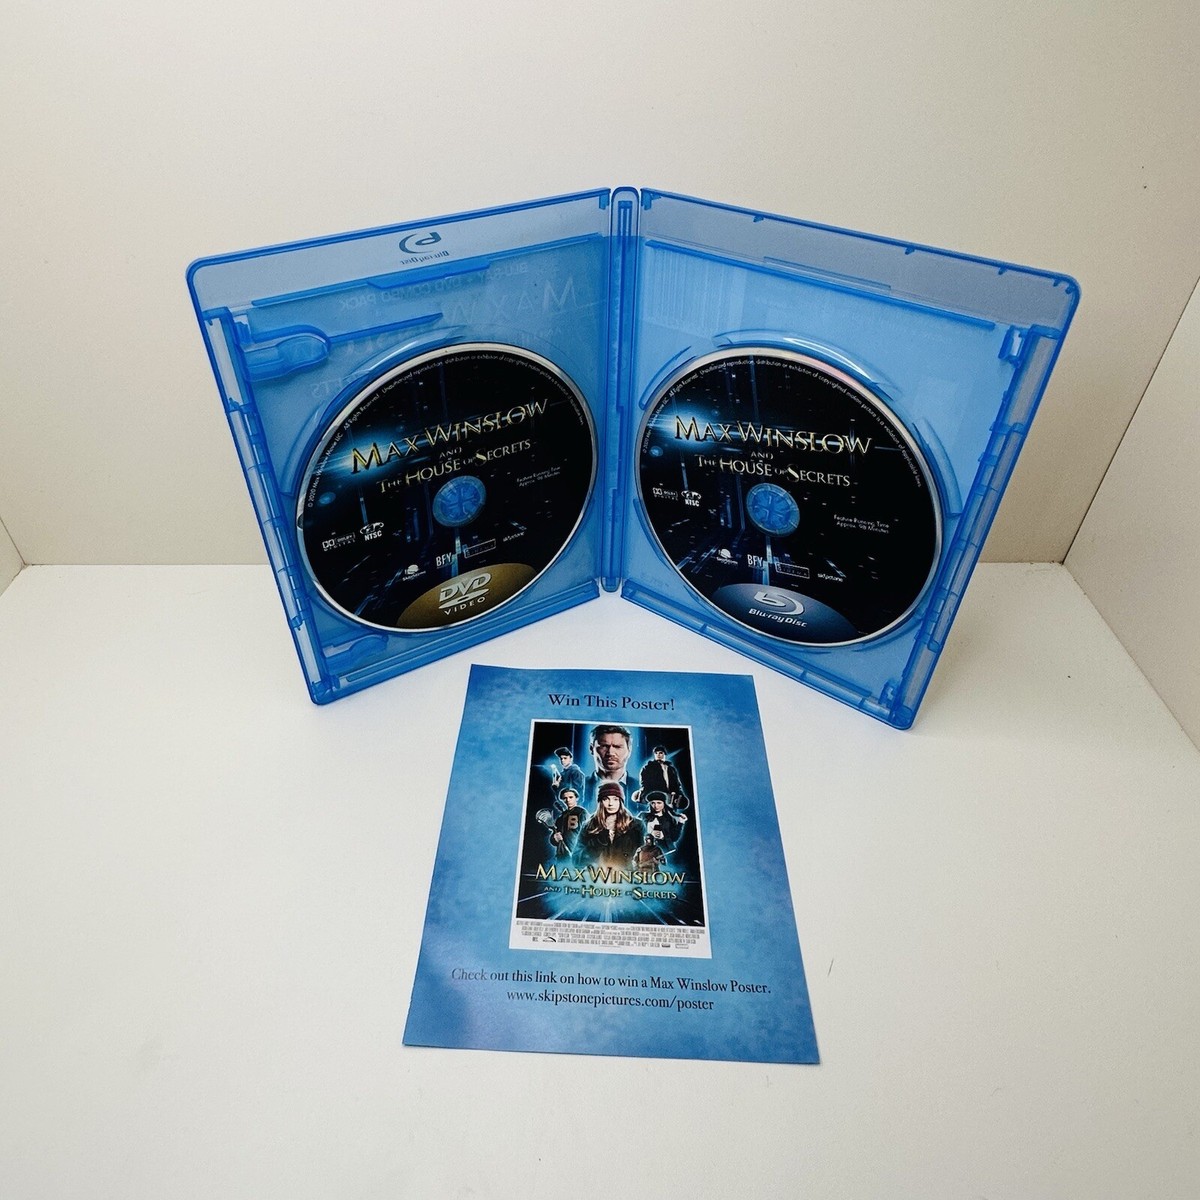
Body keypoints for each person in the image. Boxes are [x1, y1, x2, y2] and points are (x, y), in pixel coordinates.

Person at [579, 782, 645, 869]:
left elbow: (643, 856)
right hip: (598, 875)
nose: (611, 803)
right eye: (606, 799)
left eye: (615, 799)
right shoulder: (589, 826)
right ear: (600, 802)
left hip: (626, 875)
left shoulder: (636, 826)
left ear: (621, 801)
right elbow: (577, 861)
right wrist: (598, 842)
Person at [583, 724, 633, 809]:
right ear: (591, 749)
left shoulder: (642, 788)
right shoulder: (580, 786)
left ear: (629, 750)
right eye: (604, 746)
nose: (610, 753)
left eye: (617, 747)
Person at [638, 745, 689, 810]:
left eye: (660, 753)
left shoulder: (671, 768)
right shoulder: (648, 767)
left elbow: (677, 784)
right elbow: (644, 783)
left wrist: (679, 794)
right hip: (656, 797)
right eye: (656, 753)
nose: (658, 755)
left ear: (665, 754)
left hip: (671, 798)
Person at [548, 788, 586, 858]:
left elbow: (588, 833)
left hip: (577, 854)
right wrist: (555, 838)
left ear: (576, 798)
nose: (568, 800)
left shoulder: (581, 813)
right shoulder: (560, 818)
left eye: (571, 797)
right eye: (565, 798)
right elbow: (553, 837)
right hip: (561, 854)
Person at [550, 747, 585, 813]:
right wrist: (556, 788)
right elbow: (560, 795)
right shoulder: (562, 774)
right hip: (564, 808)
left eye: (565, 758)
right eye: (561, 758)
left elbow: (577, 793)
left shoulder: (575, 772)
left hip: (573, 809)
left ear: (571, 759)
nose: (562, 760)